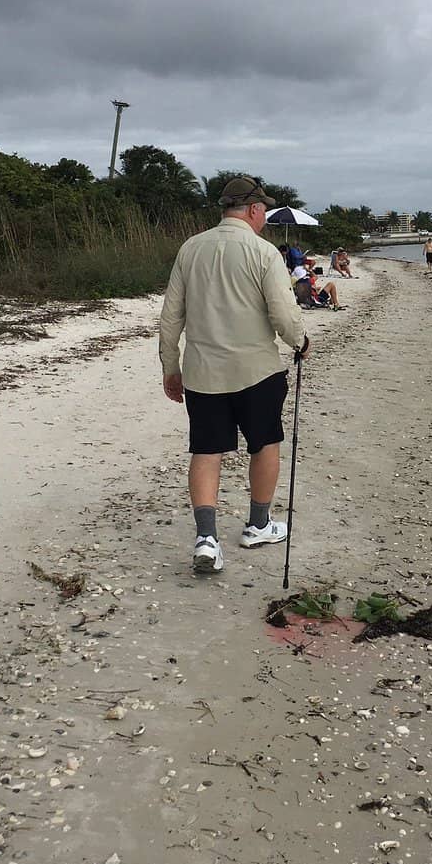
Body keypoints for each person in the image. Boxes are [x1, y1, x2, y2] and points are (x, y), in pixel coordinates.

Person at [159, 176, 311, 575]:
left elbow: (171, 315)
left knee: (207, 450)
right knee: (265, 443)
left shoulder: (190, 248)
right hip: (256, 370)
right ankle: (258, 524)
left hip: (203, 372)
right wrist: (301, 341)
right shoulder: (263, 252)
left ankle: (206, 539)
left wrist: (170, 368)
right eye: (263, 212)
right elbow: (282, 312)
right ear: (255, 210)